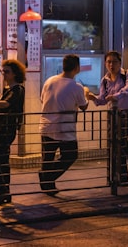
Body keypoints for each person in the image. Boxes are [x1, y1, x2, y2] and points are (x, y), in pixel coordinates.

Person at [85, 51, 128, 185]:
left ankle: (122, 178)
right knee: (114, 144)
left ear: (119, 62)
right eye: (108, 62)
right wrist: (94, 98)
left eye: (114, 62)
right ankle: (116, 176)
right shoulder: (105, 80)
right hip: (113, 114)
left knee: (119, 142)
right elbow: (103, 100)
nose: (111, 65)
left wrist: (116, 96)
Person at [39, 54, 89, 194]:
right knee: (70, 155)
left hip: (46, 125)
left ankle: (47, 185)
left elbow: (42, 100)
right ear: (77, 68)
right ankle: (47, 178)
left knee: (47, 158)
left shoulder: (49, 81)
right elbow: (84, 106)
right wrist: (86, 92)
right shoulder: (76, 86)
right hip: (65, 128)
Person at [0, 59, 26, 206]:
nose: (4, 74)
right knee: (1, 160)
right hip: (2, 129)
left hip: (6, 129)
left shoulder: (17, 90)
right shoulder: (9, 89)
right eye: (3, 71)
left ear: (15, 73)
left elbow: (6, 104)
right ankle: (4, 193)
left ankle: (2, 192)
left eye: (7, 71)